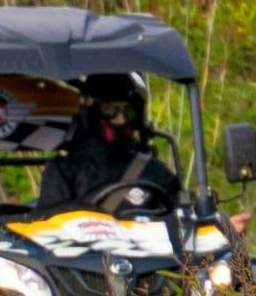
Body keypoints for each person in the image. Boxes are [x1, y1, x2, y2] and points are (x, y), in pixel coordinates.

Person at [52, 75, 176, 211]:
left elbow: (179, 218)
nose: (121, 119)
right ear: (93, 114)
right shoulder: (66, 170)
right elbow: (48, 225)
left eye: (129, 111)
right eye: (110, 111)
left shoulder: (155, 170)